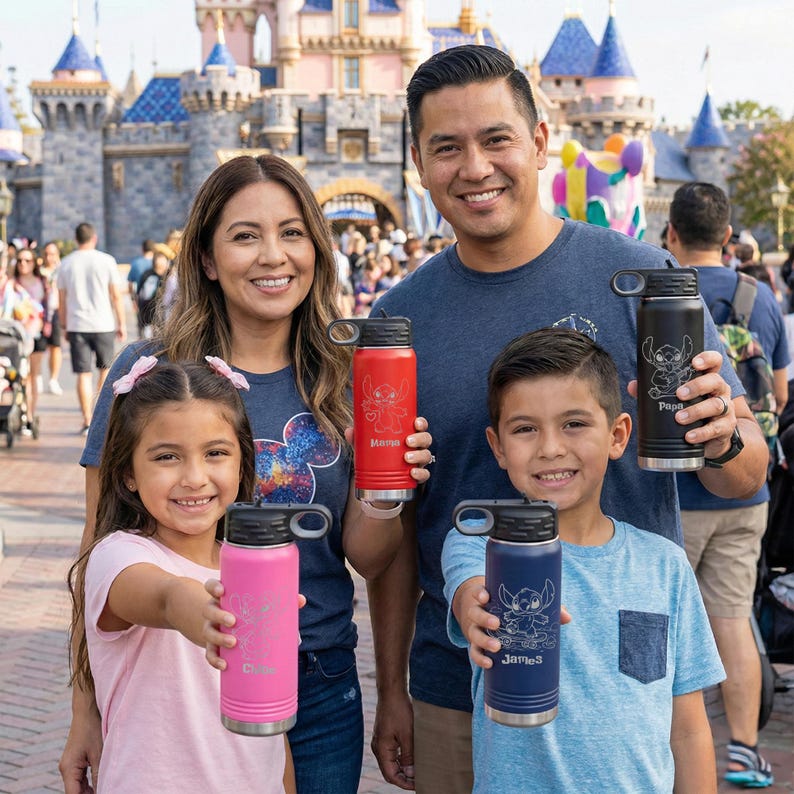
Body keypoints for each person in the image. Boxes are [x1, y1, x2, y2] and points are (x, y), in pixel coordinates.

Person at [367, 45, 768, 794]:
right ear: (419, 164)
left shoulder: (644, 280)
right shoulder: (397, 325)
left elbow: (746, 470)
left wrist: (722, 434)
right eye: (447, 148)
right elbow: (393, 541)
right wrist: (393, 687)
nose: (475, 167)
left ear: (541, 140)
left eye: (496, 140)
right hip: (464, 692)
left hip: (629, 685)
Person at [59, 153, 433, 794]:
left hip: (315, 679)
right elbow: (99, 552)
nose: (272, 256)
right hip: (180, 682)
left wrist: (385, 493)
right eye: (244, 236)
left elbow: (373, 560)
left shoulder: (352, 379)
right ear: (206, 258)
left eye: (292, 233)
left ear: (317, 250)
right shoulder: (150, 374)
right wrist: (85, 711)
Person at [442, 326, 724, 792]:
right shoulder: (483, 544)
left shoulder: (664, 565)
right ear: (497, 447)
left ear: (617, 436)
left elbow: (689, 728)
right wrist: (477, 608)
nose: (551, 447)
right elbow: (470, 590)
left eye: (574, 424)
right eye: (525, 429)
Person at [67, 357, 295, 793]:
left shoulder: (258, 567)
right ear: (127, 474)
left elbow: (271, 727)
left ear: (243, 464)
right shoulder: (117, 557)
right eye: (167, 457)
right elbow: (165, 597)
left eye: (215, 453)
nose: (194, 478)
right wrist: (205, 611)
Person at [666, 182, 789, 788]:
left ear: (671, 234)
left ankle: (672, 749)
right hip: (749, 488)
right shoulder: (758, 296)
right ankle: (742, 750)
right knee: (733, 618)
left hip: (678, 493)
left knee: (661, 623)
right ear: (727, 236)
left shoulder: (660, 293)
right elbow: (780, 396)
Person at [57, 222, 127, 434]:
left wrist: (63, 325)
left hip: (77, 323)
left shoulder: (66, 263)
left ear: (76, 239)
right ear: (94, 238)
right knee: (105, 370)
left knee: (83, 374)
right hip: (103, 322)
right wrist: (121, 322)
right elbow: (115, 295)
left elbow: (62, 299)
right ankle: (100, 414)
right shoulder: (106, 261)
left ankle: (87, 419)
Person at [10, 247, 50, 432]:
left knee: (33, 375)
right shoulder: (12, 283)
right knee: (21, 377)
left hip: (36, 334)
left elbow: (48, 306)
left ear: (34, 263)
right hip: (16, 335)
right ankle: (21, 411)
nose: (23, 264)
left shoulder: (41, 281)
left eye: (27, 260)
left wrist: (48, 323)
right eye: (19, 260)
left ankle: (30, 416)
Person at [40, 241, 64, 395]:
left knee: (55, 347)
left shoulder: (62, 271)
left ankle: (53, 379)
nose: (50, 257)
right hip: (39, 312)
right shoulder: (38, 271)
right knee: (38, 349)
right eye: (47, 254)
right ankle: (37, 377)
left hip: (55, 312)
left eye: (53, 254)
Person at [135, 250, 170, 338]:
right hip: (147, 315)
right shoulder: (147, 275)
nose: (162, 268)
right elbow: (139, 293)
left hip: (165, 317)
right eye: (160, 266)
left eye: (163, 265)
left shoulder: (170, 276)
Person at [126, 238, 156, 327]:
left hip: (141, 300)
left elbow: (130, 284)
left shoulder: (136, 263)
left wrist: (133, 300)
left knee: (142, 328)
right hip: (156, 299)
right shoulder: (159, 262)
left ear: (142, 249)